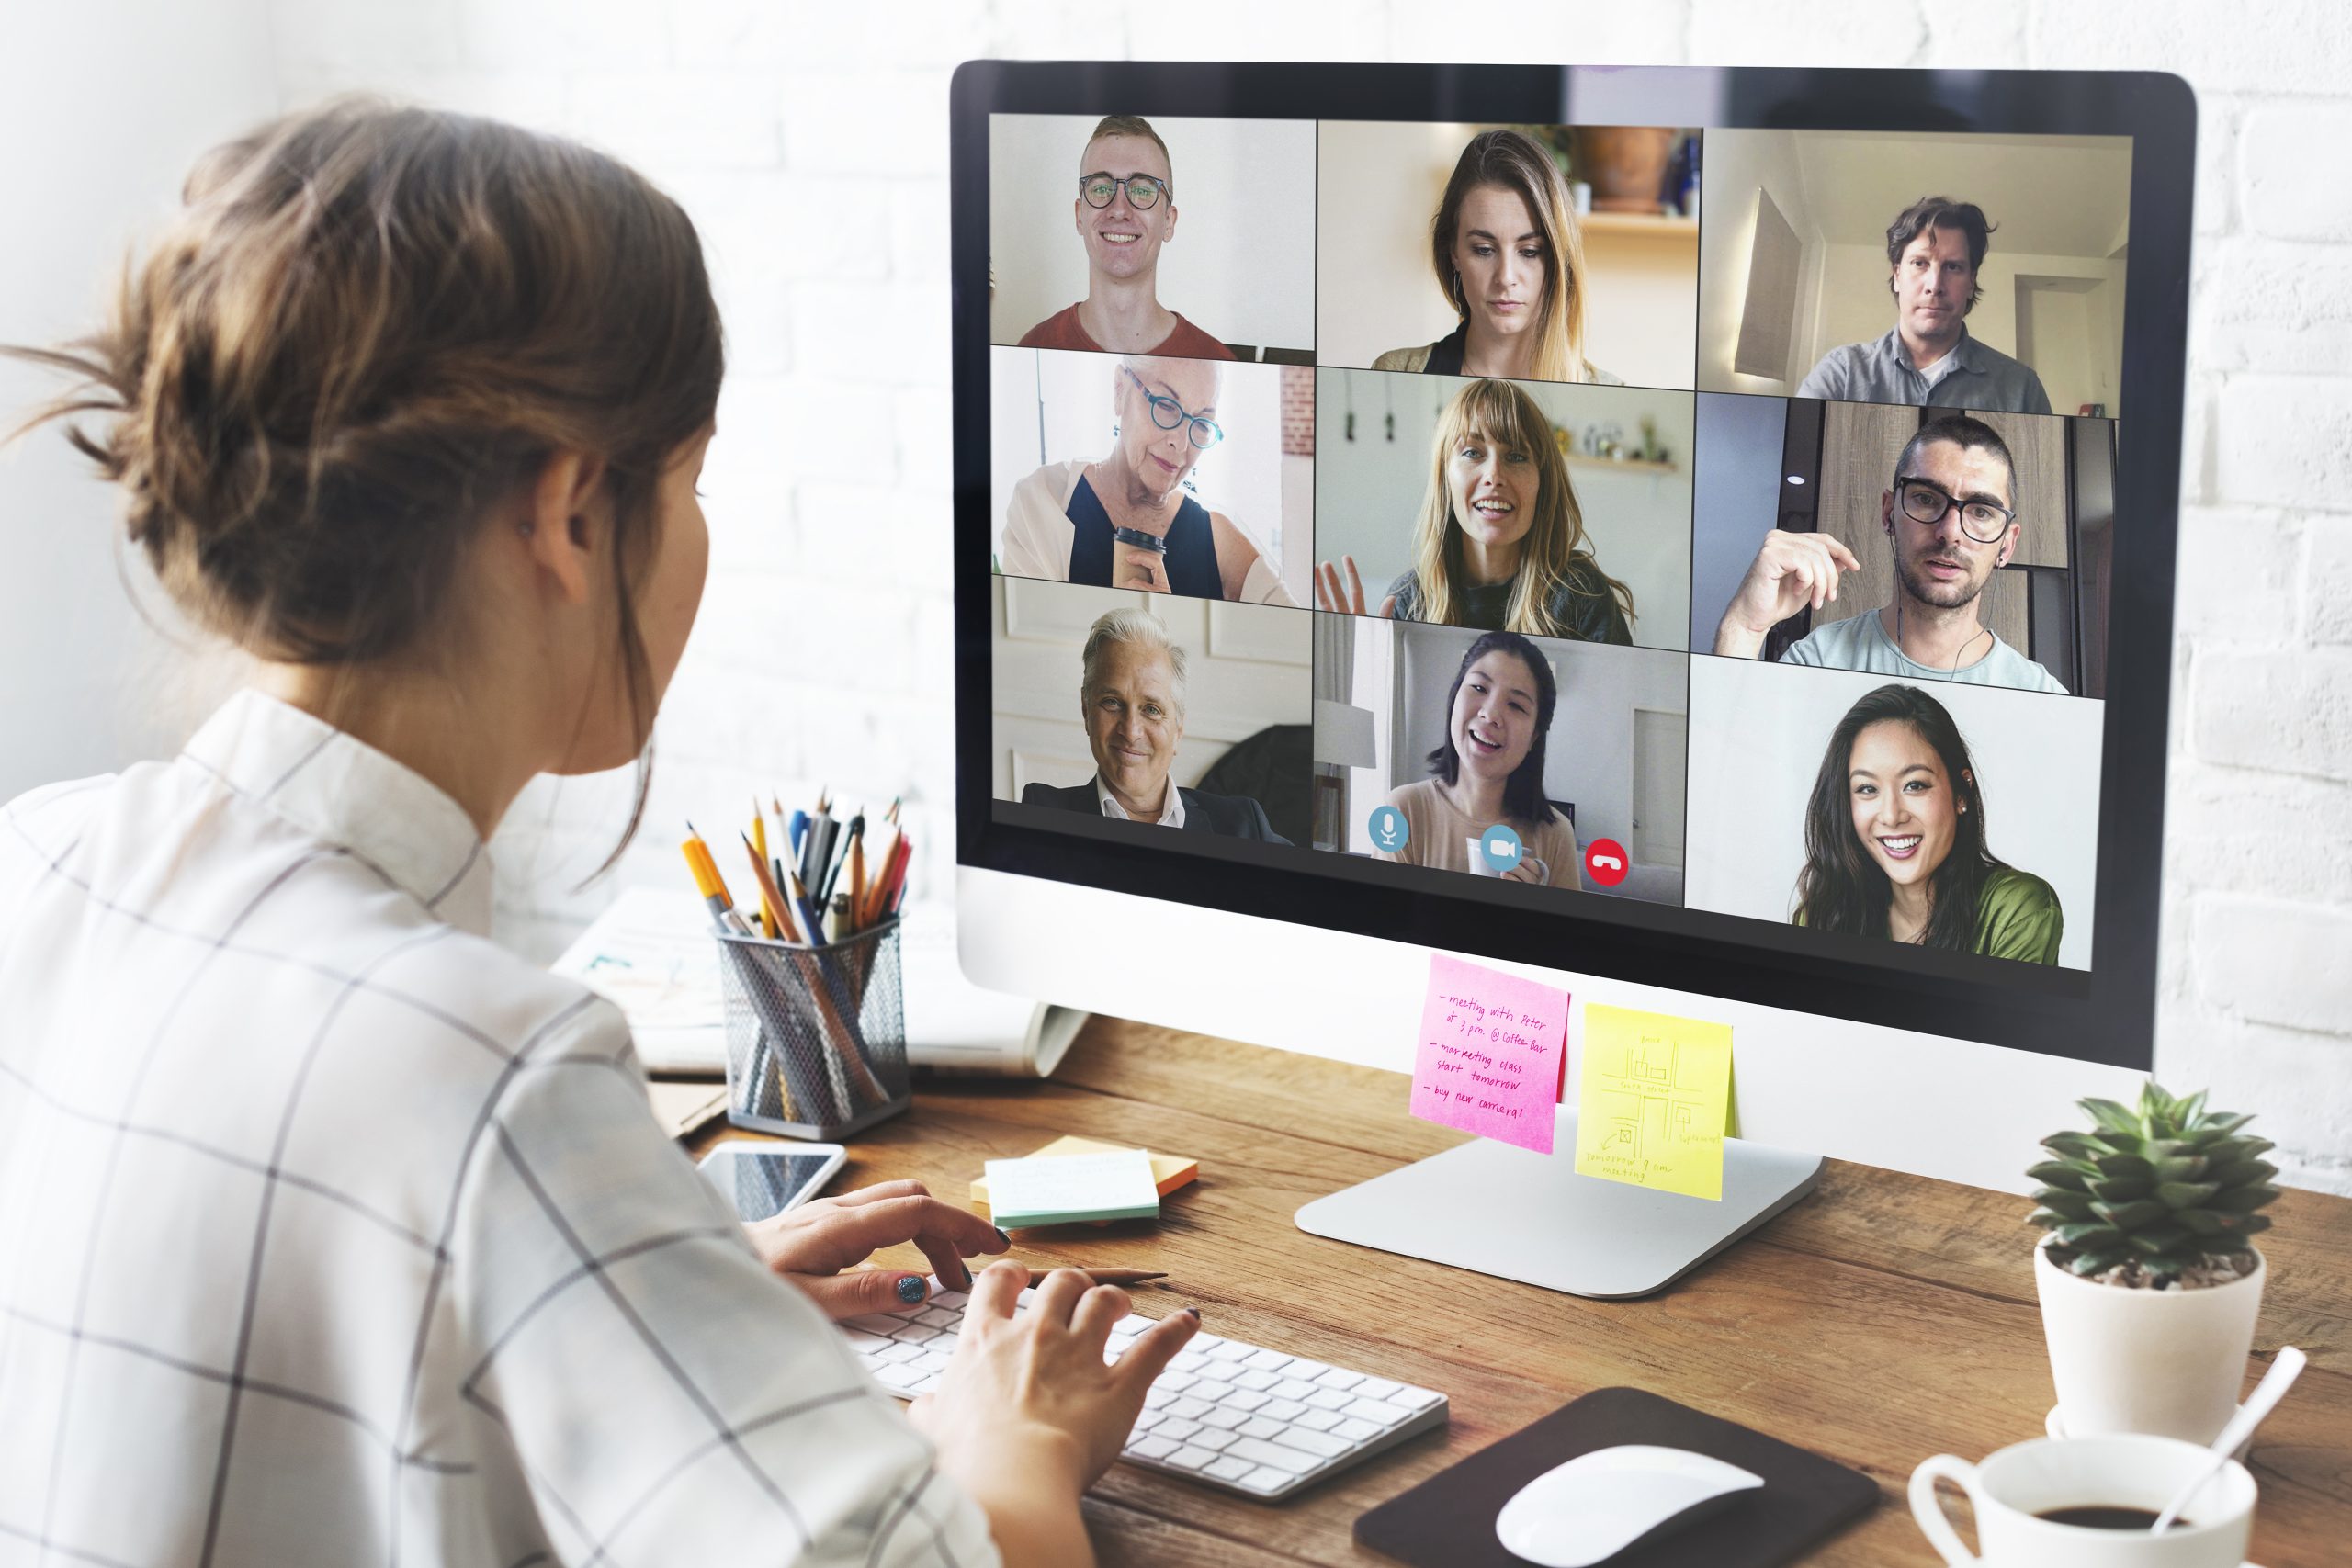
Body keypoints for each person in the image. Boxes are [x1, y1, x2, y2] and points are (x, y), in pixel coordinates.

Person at [0, 102, 1197, 1568]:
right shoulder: (490, 1074)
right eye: (688, 481)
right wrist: (1014, 1433)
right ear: (569, 509)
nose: (698, 535)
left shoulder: (33, 864)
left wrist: (648, 1287)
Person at [1710, 413, 2067, 694]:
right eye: (1926, 500)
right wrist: (1743, 626)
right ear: (1888, 513)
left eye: (1981, 512)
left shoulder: (2040, 695)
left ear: (2007, 543)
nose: (1950, 533)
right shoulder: (1817, 662)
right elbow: (1730, 762)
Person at [1314, 377, 1634, 641]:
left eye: (1517, 456)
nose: (1494, 476)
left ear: (1542, 482)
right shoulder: (1409, 600)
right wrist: (1360, 674)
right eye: (1472, 452)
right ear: (1444, 477)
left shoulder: (1582, 595)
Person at [1794, 684, 2063, 964]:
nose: (1890, 815)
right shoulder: (1821, 916)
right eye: (1867, 789)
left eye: (1914, 785)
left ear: (1961, 792)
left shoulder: (2019, 910)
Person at [999, 354, 1295, 604]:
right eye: (1165, 406)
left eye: (1202, 423)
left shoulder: (1220, 540)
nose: (1181, 443)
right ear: (1119, 389)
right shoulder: (1042, 501)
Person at [1371, 129, 1619, 385]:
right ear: (1454, 251)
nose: (1506, 277)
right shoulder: (1396, 374)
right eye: (1484, 250)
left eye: (1530, 251)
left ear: (1558, 260)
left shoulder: (1610, 393)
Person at [1019, 608, 1289, 842]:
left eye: (1151, 709)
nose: (1131, 731)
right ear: (1086, 709)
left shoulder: (1242, 823)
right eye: (1112, 702)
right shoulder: (1042, 810)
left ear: (1178, 730)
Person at [1795, 196, 2053, 414]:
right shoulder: (1841, 374)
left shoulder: (2022, 390)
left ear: (1971, 282)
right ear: (1897, 275)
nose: (1935, 284)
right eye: (1920, 263)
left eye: (1953, 267)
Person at [1371, 631, 1584, 887]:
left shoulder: (1556, 834)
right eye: (1479, 688)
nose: (1491, 714)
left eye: (1516, 705)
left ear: (1534, 737)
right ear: (1455, 697)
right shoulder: (1403, 810)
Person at [1016, 114, 1236, 360]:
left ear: (1168, 222)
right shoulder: (1032, 350)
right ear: (1079, 216)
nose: (1119, 210)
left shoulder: (1218, 363)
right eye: (1100, 188)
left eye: (1142, 190)